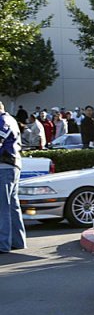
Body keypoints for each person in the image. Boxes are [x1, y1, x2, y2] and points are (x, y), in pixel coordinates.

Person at [0, 101, 26, 254]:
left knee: (3, 206)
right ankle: (18, 241)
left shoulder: (2, 120)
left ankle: (3, 244)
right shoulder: (11, 120)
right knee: (12, 205)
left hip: (4, 166)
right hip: (13, 165)